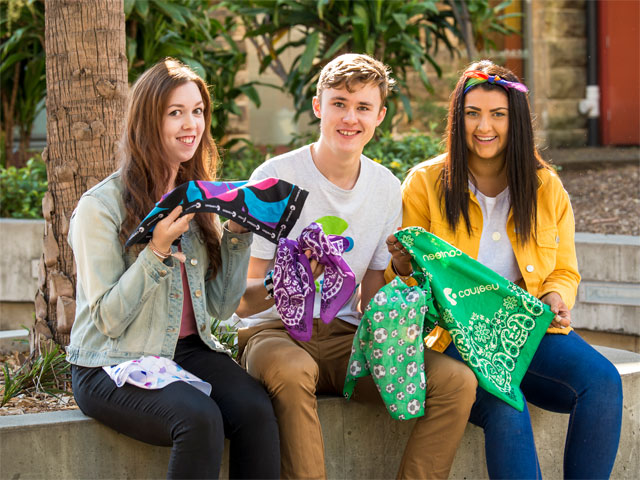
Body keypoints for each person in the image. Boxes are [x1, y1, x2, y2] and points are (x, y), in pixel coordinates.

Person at [232, 53, 477, 479]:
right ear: (317, 107)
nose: (350, 118)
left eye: (363, 107)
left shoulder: (384, 186)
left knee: (456, 381)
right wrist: (289, 282)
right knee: (294, 369)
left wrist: (402, 275)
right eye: (339, 104)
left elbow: (370, 299)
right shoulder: (273, 178)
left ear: (379, 115)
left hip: (349, 338)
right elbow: (241, 301)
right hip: (274, 333)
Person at [387, 60, 623, 479]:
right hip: (451, 336)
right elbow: (403, 287)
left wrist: (554, 296)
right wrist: (401, 266)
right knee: (506, 402)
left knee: (603, 382)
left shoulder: (545, 186)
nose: (484, 127)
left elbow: (564, 270)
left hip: (522, 327)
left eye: (498, 114)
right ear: (457, 119)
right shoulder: (424, 183)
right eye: (473, 113)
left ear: (516, 122)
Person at [66, 58, 280, 479]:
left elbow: (220, 307)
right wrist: (156, 251)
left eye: (197, 111)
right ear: (148, 121)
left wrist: (238, 232)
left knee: (256, 410)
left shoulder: (198, 197)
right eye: (175, 112)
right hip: (109, 362)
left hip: (185, 352)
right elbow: (107, 319)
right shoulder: (100, 207)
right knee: (199, 419)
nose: (191, 124)